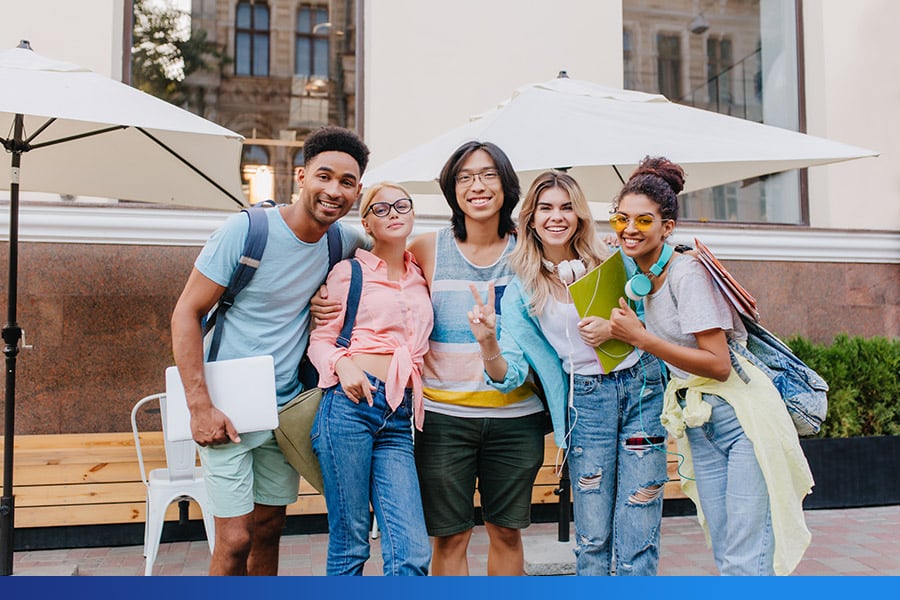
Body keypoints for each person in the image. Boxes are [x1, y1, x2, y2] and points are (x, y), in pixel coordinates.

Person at [170, 125, 371, 576]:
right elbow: (187, 312)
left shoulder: (344, 241)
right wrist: (199, 405)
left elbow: (396, 255)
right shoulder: (246, 231)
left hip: (285, 410)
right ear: (300, 176)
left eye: (347, 182)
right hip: (227, 409)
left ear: (357, 190)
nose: (334, 190)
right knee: (235, 539)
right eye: (324, 176)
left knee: (268, 527)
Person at [607, 156, 814, 576]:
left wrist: (643, 339)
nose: (630, 229)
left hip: (743, 420)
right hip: (700, 422)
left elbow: (718, 364)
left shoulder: (687, 274)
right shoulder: (645, 277)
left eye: (643, 221)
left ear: (667, 227)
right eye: (620, 220)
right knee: (723, 548)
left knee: (746, 554)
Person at [465, 170, 669, 576]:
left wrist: (615, 329)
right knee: (593, 537)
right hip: (587, 402)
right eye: (546, 208)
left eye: (566, 207)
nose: (556, 217)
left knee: (639, 525)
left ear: (578, 216)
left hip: (641, 389)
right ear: (532, 218)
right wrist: (488, 342)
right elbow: (510, 371)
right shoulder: (523, 283)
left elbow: (655, 319)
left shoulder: (614, 259)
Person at [409, 141, 547, 576]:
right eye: (465, 177)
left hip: (517, 418)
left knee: (506, 531)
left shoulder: (531, 251)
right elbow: (377, 279)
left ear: (506, 185)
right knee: (450, 536)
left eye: (488, 175)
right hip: (443, 418)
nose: (477, 186)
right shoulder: (428, 248)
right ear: (453, 190)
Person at [307, 182, 433, 576]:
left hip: (398, 417)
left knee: (412, 550)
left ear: (413, 214)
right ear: (367, 223)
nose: (393, 213)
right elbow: (320, 340)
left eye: (402, 205)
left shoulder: (422, 275)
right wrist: (343, 366)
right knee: (351, 544)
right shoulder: (349, 272)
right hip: (350, 408)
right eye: (381, 209)